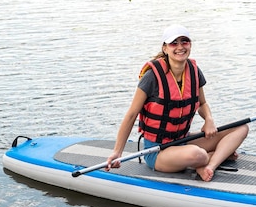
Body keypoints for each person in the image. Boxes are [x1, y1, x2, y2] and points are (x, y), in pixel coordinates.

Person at [106, 24, 248, 182]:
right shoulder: (152, 77)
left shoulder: (194, 71)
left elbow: (202, 104)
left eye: (184, 42)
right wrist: (117, 152)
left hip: (183, 139)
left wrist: (209, 119)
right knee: (197, 154)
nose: (180, 47)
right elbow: (132, 115)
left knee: (241, 128)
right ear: (165, 48)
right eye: (174, 43)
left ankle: (209, 165)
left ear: (190, 45)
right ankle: (211, 157)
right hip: (158, 151)